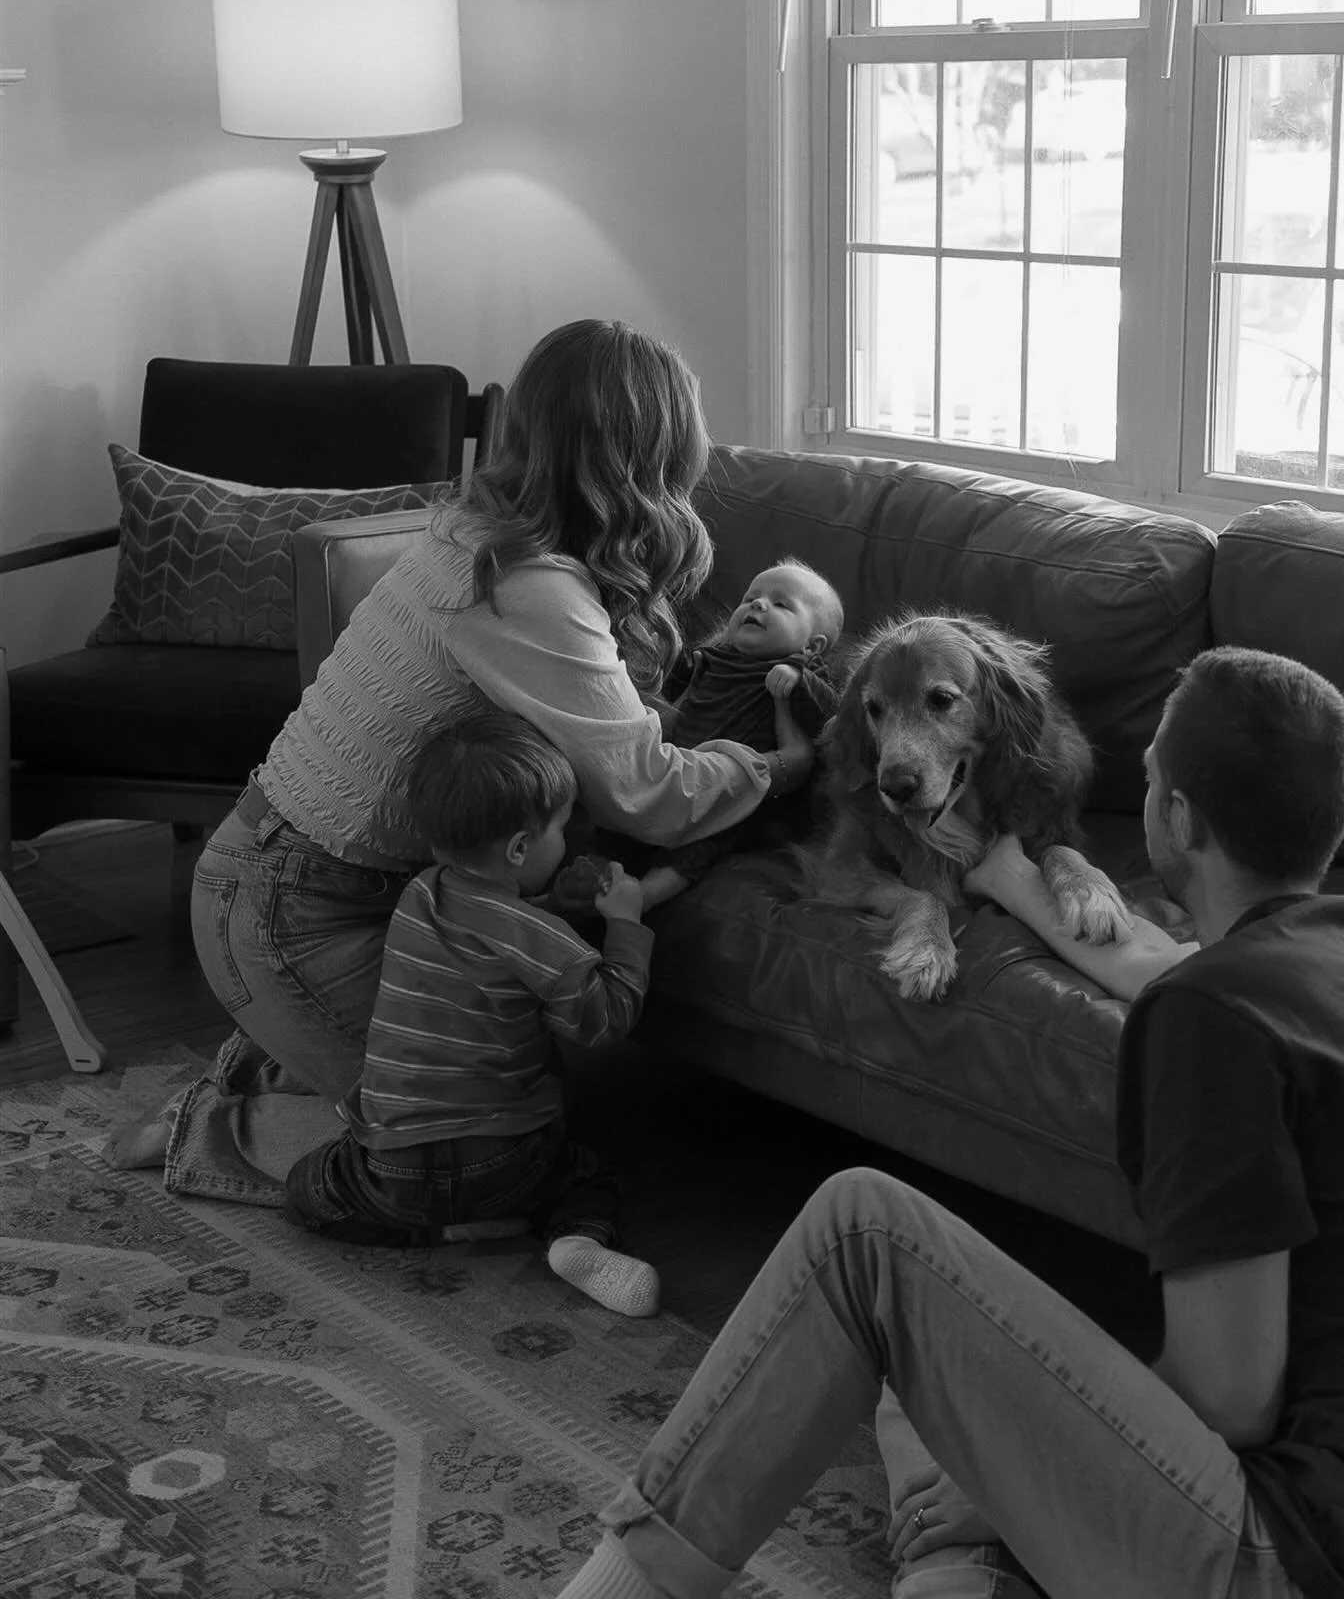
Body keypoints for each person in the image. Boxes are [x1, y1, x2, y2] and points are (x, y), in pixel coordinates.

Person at [544, 646, 1344, 1599]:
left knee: (865, 1239)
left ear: (1176, 817)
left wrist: (1003, 1490)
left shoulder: (1213, 1017)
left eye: (1146, 783)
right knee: (921, 1370)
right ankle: (966, 1578)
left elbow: (1234, 1398)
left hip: (1302, 1558)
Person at [106, 319, 815, 1206]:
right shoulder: (527, 587)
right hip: (290, 910)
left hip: (301, 883)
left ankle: (271, 1072)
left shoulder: (482, 532)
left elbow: (611, 734)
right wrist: (777, 765)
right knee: (464, 1157)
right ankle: (217, 1127)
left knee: (499, 1111)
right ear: (647, 456)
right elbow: (649, 796)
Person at [283, 711, 663, 1319]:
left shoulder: (417, 898)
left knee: (309, 1191)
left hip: (393, 1163)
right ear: (520, 847)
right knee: (589, 1175)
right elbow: (604, 1017)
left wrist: (547, 901)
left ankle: (437, 1232)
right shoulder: (543, 939)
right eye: (561, 830)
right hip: (508, 1158)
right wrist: (626, 923)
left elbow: (489, 922)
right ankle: (576, 1241)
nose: (566, 842)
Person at [560, 558, 842, 913]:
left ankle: (643, 897)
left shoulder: (800, 670)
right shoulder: (715, 657)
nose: (757, 604)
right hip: (679, 765)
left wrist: (799, 679)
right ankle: (584, 882)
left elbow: (829, 716)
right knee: (617, 826)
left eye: (781, 604)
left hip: (737, 791)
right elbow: (678, 704)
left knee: (702, 844)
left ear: (812, 646)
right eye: (750, 598)